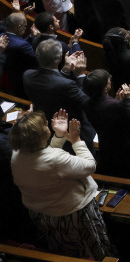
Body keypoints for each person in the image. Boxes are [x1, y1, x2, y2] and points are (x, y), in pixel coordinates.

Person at [10, 109, 117, 260]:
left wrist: (59, 136)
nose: (47, 124)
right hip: (73, 215)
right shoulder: (56, 159)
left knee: (63, 252)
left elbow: (46, 157)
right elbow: (90, 165)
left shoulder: (18, 154)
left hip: (45, 214)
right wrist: (76, 140)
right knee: (92, 251)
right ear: (41, 134)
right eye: (44, 125)